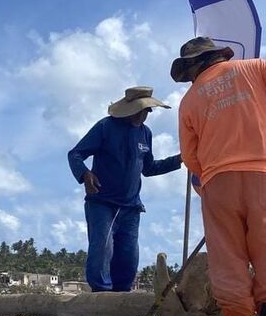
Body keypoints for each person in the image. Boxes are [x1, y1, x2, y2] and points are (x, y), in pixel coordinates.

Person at [171, 37, 266, 316]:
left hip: (218, 182)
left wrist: (204, 181)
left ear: (193, 66)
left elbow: (190, 157)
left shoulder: (189, 101)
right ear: (217, 56)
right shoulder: (255, 68)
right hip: (264, 178)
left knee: (228, 259)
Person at [68, 87, 182, 292]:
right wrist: (85, 174)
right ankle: (101, 297)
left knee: (129, 256)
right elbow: (75, 154)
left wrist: (179, 159)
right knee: (102, 249)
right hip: (103, 202)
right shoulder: (105, 127)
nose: (145, 115)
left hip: (131, 206)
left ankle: (122, 296)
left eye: (147, 111)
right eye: (142, 111)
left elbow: (149, 168)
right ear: (129, 110)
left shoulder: (145, 133)